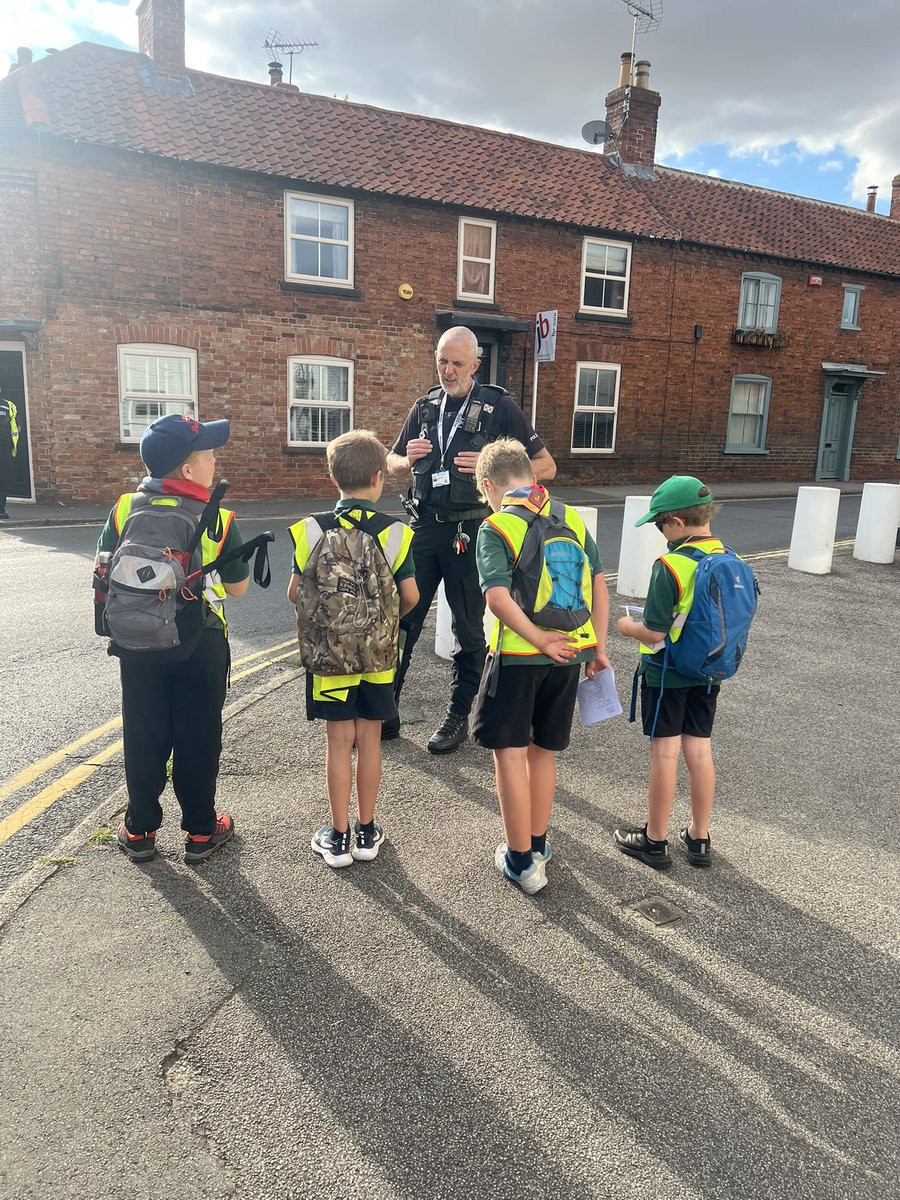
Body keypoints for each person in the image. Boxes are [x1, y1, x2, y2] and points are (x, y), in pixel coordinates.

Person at [386, 326, 555, 754]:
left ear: (475, 365)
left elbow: (546, 466)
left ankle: (458, 715)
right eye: (442, 360)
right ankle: (385, 709)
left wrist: (493, 470)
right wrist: (407, 460)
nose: (447, 370)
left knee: (467, 627)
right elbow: (390, 462)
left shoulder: (500, 407)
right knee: (402, 615)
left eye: (457, 363)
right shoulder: (424, 407)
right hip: (424, 525)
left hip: (471, 529)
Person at [97, 414, 250, 864]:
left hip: (137, 642)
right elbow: (239, 589)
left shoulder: (125, 508)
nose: (215, 461)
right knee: (198, 735)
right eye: (209, 456)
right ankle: (201, 831)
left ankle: (139, 827)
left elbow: (104, 572)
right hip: (198, 642)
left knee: (143, 733)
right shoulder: (217, 516)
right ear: (187, 470)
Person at [471, 438, 609, 894]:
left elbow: (496, 596)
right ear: (531, 477)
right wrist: (599, 647)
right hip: (571, 651)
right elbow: (598, 582)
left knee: (509, 753)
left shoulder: (496, 526)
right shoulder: (569, 515)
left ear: (489, 486)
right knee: (543, 751)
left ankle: (520, 862)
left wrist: (537, 638)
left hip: (520, 654)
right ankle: (538, 842)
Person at [288, 430, 418, 868]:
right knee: (371, 739)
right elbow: (412, 595)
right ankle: (367, 830)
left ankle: (338, 836)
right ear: (379, 478)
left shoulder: (309, 530)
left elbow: (294, 593)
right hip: (378, 658)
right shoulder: (396, 533)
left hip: (329, 659)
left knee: (338, 742)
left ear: (332, 477)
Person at [613, 475, 725, 870]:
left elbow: (655, 631)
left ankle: (655, 840)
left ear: (677, 523)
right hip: (709, 672)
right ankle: (699, 836)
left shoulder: (670, 565)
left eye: (660, 523)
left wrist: (627, 628)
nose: (660, 531)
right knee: (699, 750)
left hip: (667, 673)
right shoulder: (728, 558)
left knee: (665, 753)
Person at [0, 388, 19, 520]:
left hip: (4, 451)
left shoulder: (9, 406)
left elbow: (16, 427)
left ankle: (1, 510)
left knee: (3, 480)